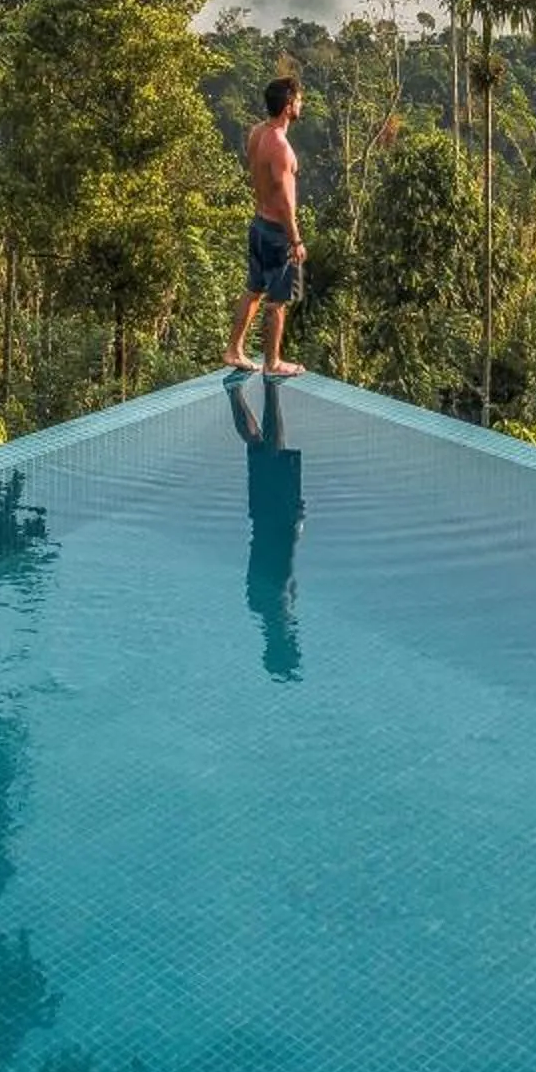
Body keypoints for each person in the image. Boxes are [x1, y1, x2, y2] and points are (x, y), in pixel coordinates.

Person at [226, 73, 306, 376]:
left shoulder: (257, 133)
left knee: (253, 290)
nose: (301, 105)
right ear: (288, 106)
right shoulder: (281, 148)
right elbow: (285, 201)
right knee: (277, 301)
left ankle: (234, 349)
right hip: (276, 232)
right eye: (299, 101)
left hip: (258, 223)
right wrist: (295, 240)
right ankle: (273, 362)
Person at [226, 371, 304, 679]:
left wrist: (296, 524)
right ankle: (235, 391)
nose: (296, 642)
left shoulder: (276, 609)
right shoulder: (259, 606)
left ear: (283, 645)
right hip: (261, 520)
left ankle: (271, 384)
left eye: (292, 647)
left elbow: (284, 562)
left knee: (273, 451)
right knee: (259, 446)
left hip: (277, 521)